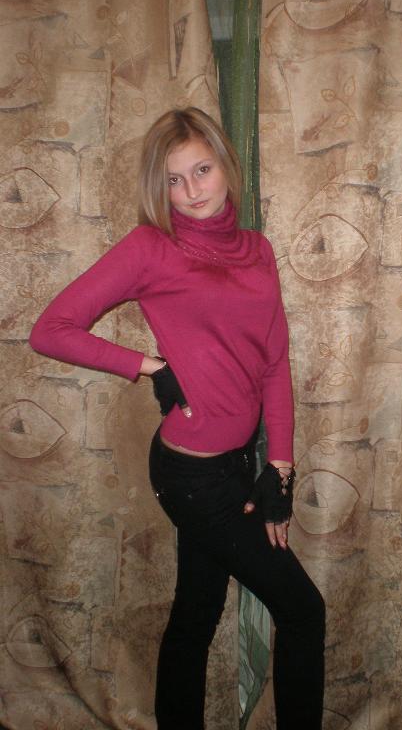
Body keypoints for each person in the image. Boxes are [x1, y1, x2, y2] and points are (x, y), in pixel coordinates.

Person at [29, 107, 325, 730]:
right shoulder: (152, 248)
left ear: (226, 167)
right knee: (303, 611)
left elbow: (274, 363)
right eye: (174, 179)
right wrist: (148, 367)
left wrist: (279, 467)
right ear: (159, 188)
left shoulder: (259, 251)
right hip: (191, 475)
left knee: (196, 614)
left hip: (240, 464)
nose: (191, 190)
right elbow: (51, 329)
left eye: (202, 170)